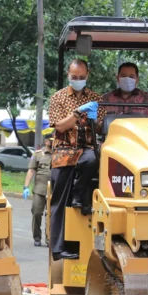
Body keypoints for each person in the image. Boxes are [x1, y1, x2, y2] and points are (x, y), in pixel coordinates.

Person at [48, 59, 106, 261]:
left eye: (82, 77)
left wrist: (94, 120)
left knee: (93, 160)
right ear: (68, 75)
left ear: (87, 75)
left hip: (87, 149)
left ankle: (79, 196)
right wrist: (77, 112)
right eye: (75, 77)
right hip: (64, 152)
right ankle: (57, 248)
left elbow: (100, 128)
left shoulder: (96, 98)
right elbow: (60, 127)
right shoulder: (58, 97)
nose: (78, 80)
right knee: (58, 201)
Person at [23, 134, 53, 247]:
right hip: (39, 189)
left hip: (54, 190)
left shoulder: (58, 154)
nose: (54, 142)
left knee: (51, 215)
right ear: (46, 142)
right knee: (36, 212)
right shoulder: (38, 154)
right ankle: (37, 237)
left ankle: (49, 238)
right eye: (51, 140)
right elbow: (31, 171)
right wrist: (26, 186)